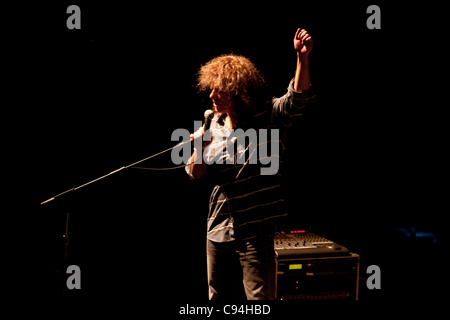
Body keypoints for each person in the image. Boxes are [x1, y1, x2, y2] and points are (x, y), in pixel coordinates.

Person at [186, 29, 316, 300]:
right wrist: (198, 147)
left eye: (219, 90)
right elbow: (196, 174)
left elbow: (297, 98)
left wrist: (302, 57)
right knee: (216, 297)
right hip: (218, 226)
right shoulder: (213, 121)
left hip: (256, 227)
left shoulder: (266, 115)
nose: (212, 96)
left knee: (259, 298)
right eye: (211, 89)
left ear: (237, 91)